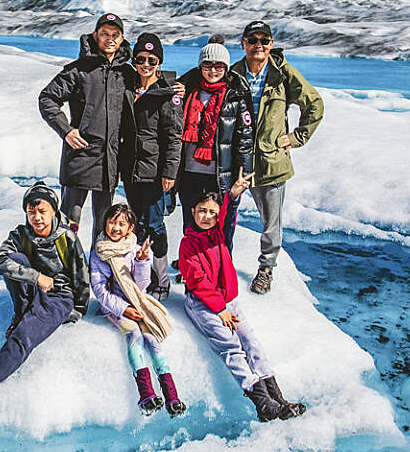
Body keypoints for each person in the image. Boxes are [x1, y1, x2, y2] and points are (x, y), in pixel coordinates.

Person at [179, 171, 306, 422]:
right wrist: (220, 310)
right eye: (202, 211)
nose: (207, 216)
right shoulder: (188, 244)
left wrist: (234, 194)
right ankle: (261, 402)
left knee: (251, 342)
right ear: (193, 211)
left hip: (228, 301)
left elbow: (227, 213)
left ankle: (277, 398)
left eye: (212, 213)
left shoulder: (218, 235)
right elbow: (197, 281)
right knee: (232, 347)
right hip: (203, 304)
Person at [0, 181, 90, 409]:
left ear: (53, 211)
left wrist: (78, 309)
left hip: (59, 296)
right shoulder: (21, 235)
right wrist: (35, 276)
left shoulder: (66, 237)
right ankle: (23, 313)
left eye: (42, 211)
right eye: (32, 212)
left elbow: (81, 273)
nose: (37, 217)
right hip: (33, 289)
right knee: (16, 260)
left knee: (24, 336)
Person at [230, 21, 323, 294]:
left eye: (264, 40)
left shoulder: (282, 74)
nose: (259, 45)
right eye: (253, 40)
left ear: (271, 44)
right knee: (222, 214)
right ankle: (215, 263)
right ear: (244, 43)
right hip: (236, 160)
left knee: (271, 221)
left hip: (271, 160)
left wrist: (296, 137)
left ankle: (266, 268)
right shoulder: (234, 73)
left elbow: (314, 104)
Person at [39, 13, 131, 242]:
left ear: (121, 39)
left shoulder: (126, 73)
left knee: (105, 226)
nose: (110, 39)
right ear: (95, 35)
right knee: (69, 223)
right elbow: (47, 99)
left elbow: (150, 85)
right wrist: (66, 130)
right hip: (80, 158)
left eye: (115, 35)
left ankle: (98, 274)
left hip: (110, 161)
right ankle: (66, 273)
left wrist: (176, 88)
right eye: (105, 34)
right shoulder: (77, 70)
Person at [89, 203, 187, 417]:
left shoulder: (135, 249)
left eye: (121, 224)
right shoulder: (99, 253)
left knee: (152, 340)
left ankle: (172, 396)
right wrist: (125, 310)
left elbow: (141, 286)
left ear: (130, 228)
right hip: (116, 308)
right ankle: (146, 394)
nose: (115, 227)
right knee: (134, 336)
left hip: (139, 303)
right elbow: (100, 291)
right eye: (112, 222)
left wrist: (142, 262)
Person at [175, 35, 253, 251]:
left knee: (221, 224)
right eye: (207, 65)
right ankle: (191, 263)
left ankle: (220, 266)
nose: (213, 71)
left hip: (219, 173)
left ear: (226, 68)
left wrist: (243, 175)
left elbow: (245, 138)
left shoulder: (235, 96)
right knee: (191, 221)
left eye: (218, 66)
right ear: (200, 67)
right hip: (190, 171)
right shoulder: (188, 91)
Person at [120, 33, 182, 300]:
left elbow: (173, 136)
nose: (146, 64)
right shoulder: (128, 88)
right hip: (132, 170)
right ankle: (141, 273)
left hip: (155, 172)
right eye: (141, 59)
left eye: (152, 59)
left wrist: (169, 172)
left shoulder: (167, 95)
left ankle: (162, 278)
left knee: (155, 225)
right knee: (137, 224)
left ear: (159, 62)